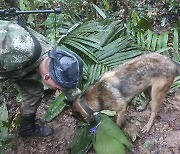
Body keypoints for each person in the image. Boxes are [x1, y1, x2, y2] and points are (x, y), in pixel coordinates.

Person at [0, 19, 83, 137]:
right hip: (8, 59)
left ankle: (27, 128)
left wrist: (81, 103)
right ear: (47, 77)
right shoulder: (17, 50)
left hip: (21, 67)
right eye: (57, 88)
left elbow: (66, 83)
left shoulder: (54, 58)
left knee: (33, 93)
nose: (58, 90)